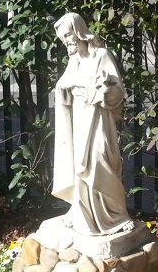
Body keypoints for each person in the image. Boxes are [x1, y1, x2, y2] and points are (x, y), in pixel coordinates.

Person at [52, 13, 134, 236]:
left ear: (79, 31)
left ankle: (116, 215)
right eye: (63, 38)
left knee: (100, 159)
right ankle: (82, 212)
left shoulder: (101, 55)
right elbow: (63, 88)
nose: (66, 41)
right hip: (79, 118)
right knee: (80, 164)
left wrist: (92, 87)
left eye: (68, 35)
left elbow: (118, 91)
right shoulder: (73, 61)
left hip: (99, 119)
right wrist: (67, 86)